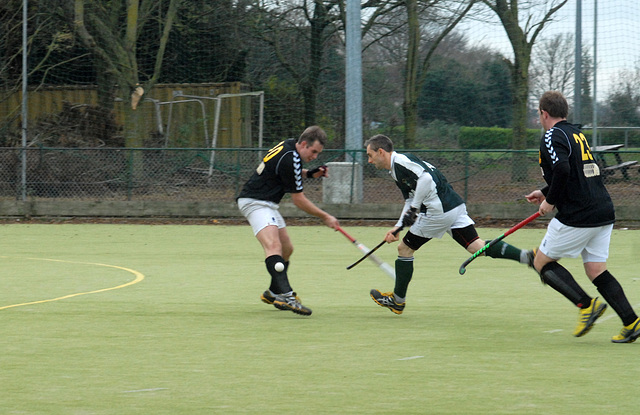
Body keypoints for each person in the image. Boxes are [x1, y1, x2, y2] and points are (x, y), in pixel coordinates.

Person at [364, 134, 533, 315]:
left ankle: (398, 301)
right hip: (454, 206)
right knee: (476, 246)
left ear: (381, 152)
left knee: (404, 249)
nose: (369, 161)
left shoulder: (400, 162)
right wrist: (398, 226)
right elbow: (410, 198)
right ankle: (527, 257)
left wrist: (414, 210)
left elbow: (426, 179)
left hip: (437, 212)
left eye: (370, 155)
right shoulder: (396, 169)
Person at [526, 90, 640, 343]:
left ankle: (586, 305)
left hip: (579, 214)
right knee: (596, 270)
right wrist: (544, 191)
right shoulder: (576, 133)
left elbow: (563, 169)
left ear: (544, 113)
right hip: (602, 210)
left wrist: (550, 201)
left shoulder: (551, 135)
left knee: (541, 263)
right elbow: (576, 171)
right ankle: (632, 322)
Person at [237, 126, 339, 316]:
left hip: (268, 203)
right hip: (255, 202)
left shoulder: (289, 147)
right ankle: (286, 296)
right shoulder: (290, 156)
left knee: (287, 249)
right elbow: (298, 199)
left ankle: (273, 292)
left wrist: (310, 173)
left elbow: (289, 173)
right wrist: (325, 216)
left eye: (318, 153)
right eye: (313, 151)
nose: (315, 156)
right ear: (303, 144)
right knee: (273, 246)